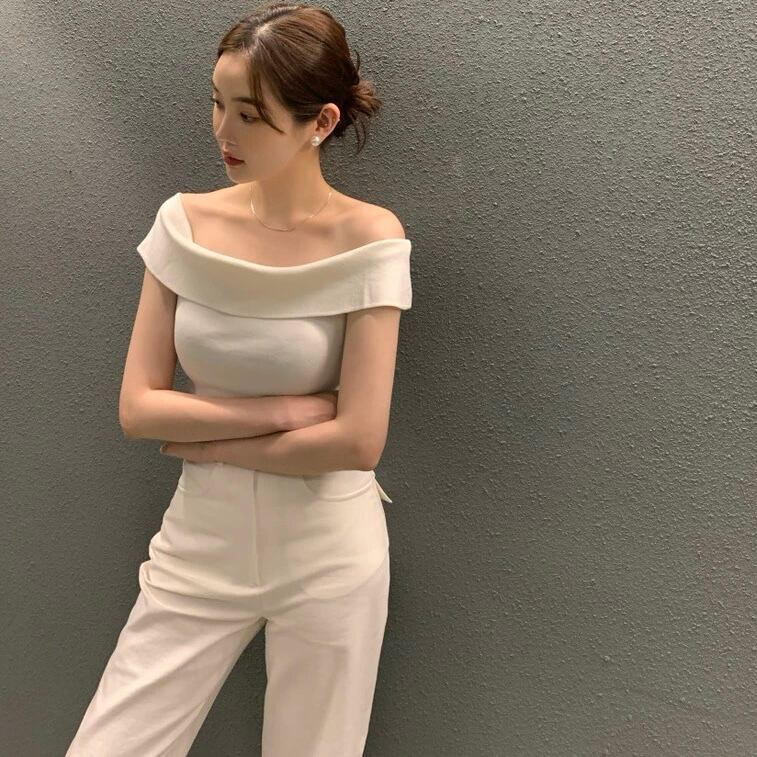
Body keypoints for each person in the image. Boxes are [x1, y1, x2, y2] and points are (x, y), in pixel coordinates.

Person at [65, 2, 413, 755]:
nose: (224, 131)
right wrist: (286, 409)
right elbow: (138, 408)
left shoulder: (370, 237)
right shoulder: (183, 224)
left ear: (320, 122)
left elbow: (358, 440)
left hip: (328, 550)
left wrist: (213, 443)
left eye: (250, 115)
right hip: (200, 540)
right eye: (217, 103)